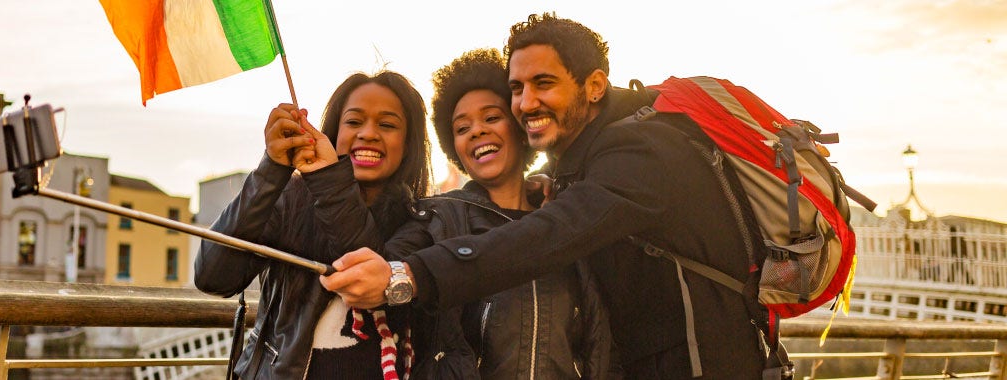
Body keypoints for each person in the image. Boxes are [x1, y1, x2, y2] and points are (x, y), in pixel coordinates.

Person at [322, 13, 769, 379]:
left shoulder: (639, 149)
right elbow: (365, 254)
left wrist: (411, 275)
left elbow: (552, 235)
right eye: (517, 88)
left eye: (544, 83)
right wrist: (320, 177)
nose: (526, 102)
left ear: (594, 86)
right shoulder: (554, 183)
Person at [384, 48, 614, 379]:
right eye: (462, 128)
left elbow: (601, 344)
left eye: (491, 118)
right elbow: (379, 269)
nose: (476, 131)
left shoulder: (571, 220)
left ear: (522, 128)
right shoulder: (436, 218)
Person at [195, 70, 431, 379]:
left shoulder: (423, 219)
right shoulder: (290, 200)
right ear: (334, 133)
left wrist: (329, 181)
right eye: (354, 122)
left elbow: (366, 277)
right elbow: (212, 276)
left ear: (409, 142)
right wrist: (271, 171)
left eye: (387, 125)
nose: (368, 134)